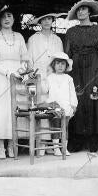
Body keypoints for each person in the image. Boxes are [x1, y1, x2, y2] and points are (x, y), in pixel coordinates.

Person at [65, 0, 98, 153]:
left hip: (94, 69)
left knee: (93, 100)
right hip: (76, 69)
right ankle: (77, 139)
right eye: (78, 10)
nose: (81, 12)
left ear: (90, 12)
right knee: (77, 100)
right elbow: (67, 55)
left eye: (84, 9)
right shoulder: (71, 32)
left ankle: (92, 140)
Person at [0, 5, 29, 159]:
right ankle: (0, 146)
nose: (6, 19)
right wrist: (7, 72)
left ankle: (12, 144)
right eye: (3, 16)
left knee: (15, 109)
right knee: (1, 111)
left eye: (9, 16)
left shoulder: (19, 36)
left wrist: (20, 71)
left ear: (14, 19)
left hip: (17, 76)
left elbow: (24, 58)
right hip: (1, 75)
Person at [27, 12, 64, 155]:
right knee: (42, 106)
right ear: (40, 22)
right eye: (44, 19)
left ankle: (52, 143)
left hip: (53, 76)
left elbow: (60, 59)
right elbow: (29, 59)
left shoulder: (57, 40)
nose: (47, 21)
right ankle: (41, 143)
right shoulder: (33, 39)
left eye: (49, 19)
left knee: (53, 105)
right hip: (39, 76)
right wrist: (34, 76)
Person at [46, 51, 78, 156]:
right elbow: (45, 91)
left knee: (65, 127)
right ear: (53, 65)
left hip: (66, 107)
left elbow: (72, 93)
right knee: (55, 126)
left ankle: (64, 148)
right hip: (54, 107)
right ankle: (56, 148)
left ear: (66, 66)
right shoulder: (49, 78)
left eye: (63, 64)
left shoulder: (68, 78)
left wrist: (73, 105)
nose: (60, 66)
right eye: (58, 63)